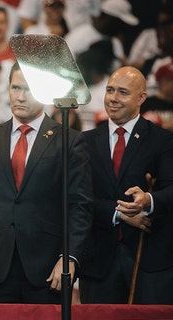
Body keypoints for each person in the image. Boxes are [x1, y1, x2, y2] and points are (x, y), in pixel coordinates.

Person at [0, 62, 93, 303]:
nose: (20, 97)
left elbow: (80, 206)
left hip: (49, 269)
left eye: (29, 90)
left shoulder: (69, 141)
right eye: (15, 88)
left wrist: (69, 257)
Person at [79, 66, 173, 304]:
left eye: (122, 92)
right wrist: (118, 213)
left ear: (141, 97)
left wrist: (148, 201)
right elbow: (77, 197)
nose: (113, 98)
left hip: (149, 262)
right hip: (98, 263)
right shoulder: (85, 142)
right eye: (110, 90)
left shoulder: (163, 140)